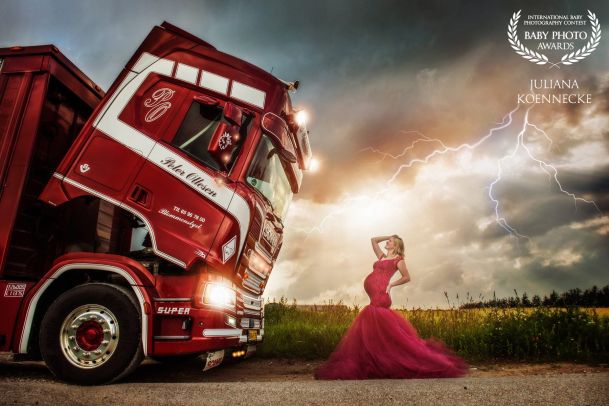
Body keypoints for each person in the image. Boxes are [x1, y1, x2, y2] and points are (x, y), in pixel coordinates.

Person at [313, 234, 469, 380]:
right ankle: (378, 360)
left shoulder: (398, 259)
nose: (387, 242)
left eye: (390, 241)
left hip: (381, 295)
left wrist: (391, 284)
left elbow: (407, 277)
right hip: (374, 296)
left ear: (396, 246)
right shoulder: (381, 257)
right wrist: (389, 235)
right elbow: (373, 240)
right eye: (387, 241)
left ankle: (388, 361)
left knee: (378, 326)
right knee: (376, 333)